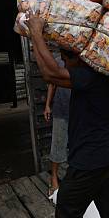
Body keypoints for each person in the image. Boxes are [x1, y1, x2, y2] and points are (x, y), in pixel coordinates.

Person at [25, 13, 109, 218]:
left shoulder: (89, 75)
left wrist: (36, 34)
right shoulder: (99, 72)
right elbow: (52, 73)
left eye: (65, 59)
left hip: (90, 163)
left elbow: (50, 74)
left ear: (78, 57)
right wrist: (35, 41)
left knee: (67, 214)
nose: (64, 64)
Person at [44, 54, 71, 196]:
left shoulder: (83, 58)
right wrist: (48, 105)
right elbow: (52, 83)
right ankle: (53, 177)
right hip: (61, 108)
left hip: (79, 111)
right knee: (58, 144)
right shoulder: (57, 60)